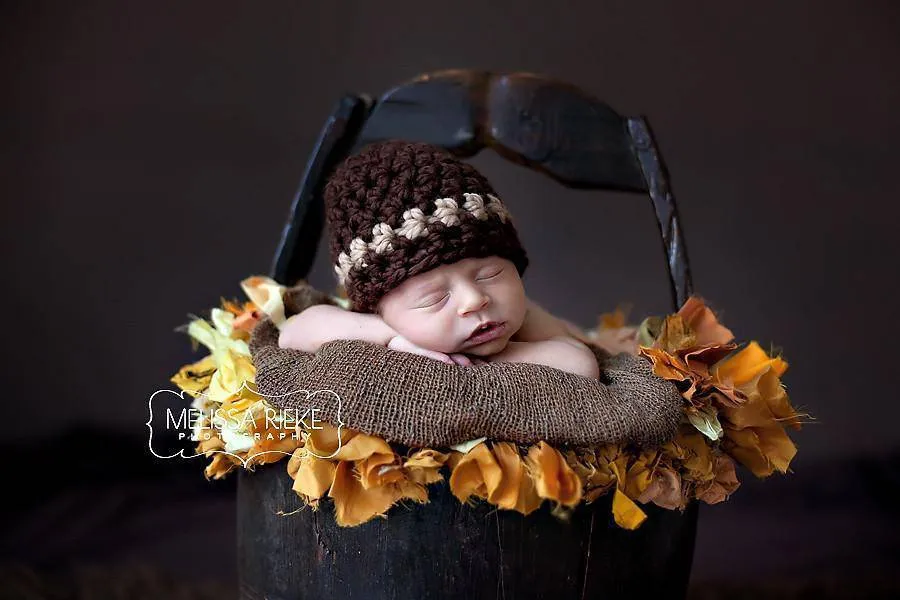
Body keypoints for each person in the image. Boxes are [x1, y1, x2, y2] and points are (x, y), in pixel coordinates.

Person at [278, 140, 599, 380]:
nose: (475, 300)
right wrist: (392, 338)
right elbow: (292, 333)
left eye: (490, 274)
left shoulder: (525, 319)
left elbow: (580, 364)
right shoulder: (377, 327)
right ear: (378, 309)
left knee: (583, 337)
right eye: (434, 297)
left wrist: (488, 361)